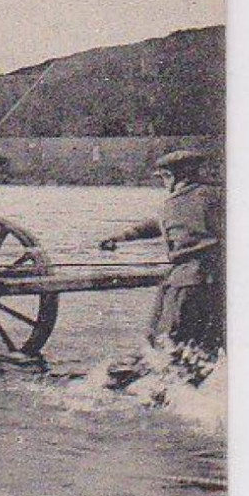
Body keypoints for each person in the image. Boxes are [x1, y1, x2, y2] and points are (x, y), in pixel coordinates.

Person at [100, 149, 224, 358]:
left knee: (166, 342)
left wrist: (117, 238)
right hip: (219, 279)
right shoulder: (217, 195)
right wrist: (122, 236)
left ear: (175, 177)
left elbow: (160, 222)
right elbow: (156, 225)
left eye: (165, 178)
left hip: (187, 281)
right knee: (208, 344)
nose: (164, 184)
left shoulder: (174, 203)